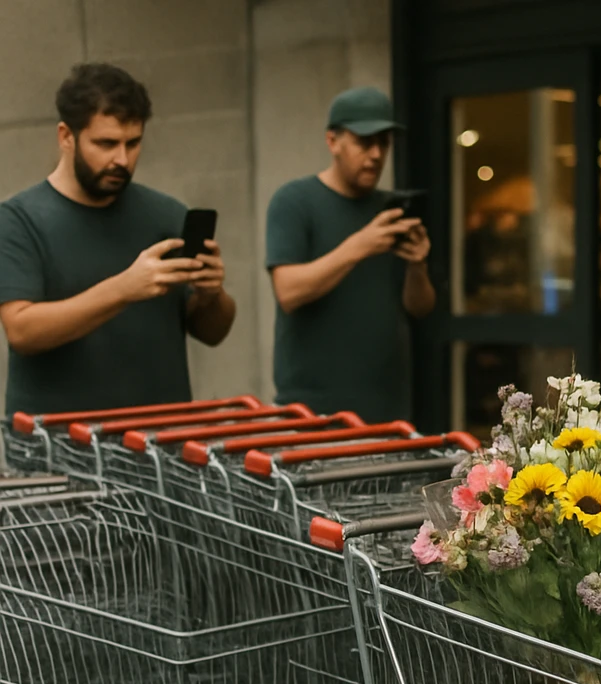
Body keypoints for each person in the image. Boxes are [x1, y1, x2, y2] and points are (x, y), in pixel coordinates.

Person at [0, 63, 236, 414]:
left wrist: (210, 294)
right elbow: (22, 332)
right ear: (67, 136)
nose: (121, 159)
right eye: (106, 144)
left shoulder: (166, 213)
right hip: (59, 445)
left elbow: (213, 333)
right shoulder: (19, 219)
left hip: (160, 443)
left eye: (133, 143)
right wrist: (124, 289)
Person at [265, 86, 435, 421]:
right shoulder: (294, 201)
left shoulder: (389, 209)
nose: (375, 154)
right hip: (312, 415)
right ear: (333, 141)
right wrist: (360, 246)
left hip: (388, 410)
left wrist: (417, 265)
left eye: (383, 143)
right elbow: (288, 291)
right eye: (364, 142)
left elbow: (421, 307)